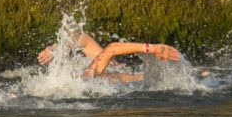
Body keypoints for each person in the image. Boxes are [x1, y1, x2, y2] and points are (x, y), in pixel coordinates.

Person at [37, 30, 181, 82]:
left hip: (139, 75)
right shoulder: (87, 76)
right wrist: (153, 48)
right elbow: (111, 49)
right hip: (145, 80)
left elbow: (80, 37)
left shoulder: (88, 72)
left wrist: (54, 48)